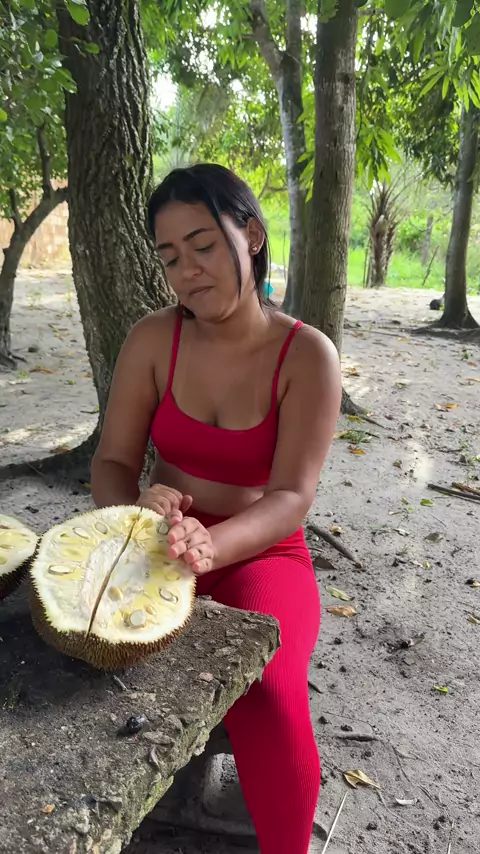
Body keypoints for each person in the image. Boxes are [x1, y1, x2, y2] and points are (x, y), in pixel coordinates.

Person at [91, 163, 342, 854]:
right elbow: (112, 462)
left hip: (263, 554)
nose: (188, 271)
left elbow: (292, 496)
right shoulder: (153, 340)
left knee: (270, 689)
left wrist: (216, 545)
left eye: (203, 245)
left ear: (251, 236)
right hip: (157, 546)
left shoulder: (307, 356)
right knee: (79, 660)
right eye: (170, 256)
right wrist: (138, 509)